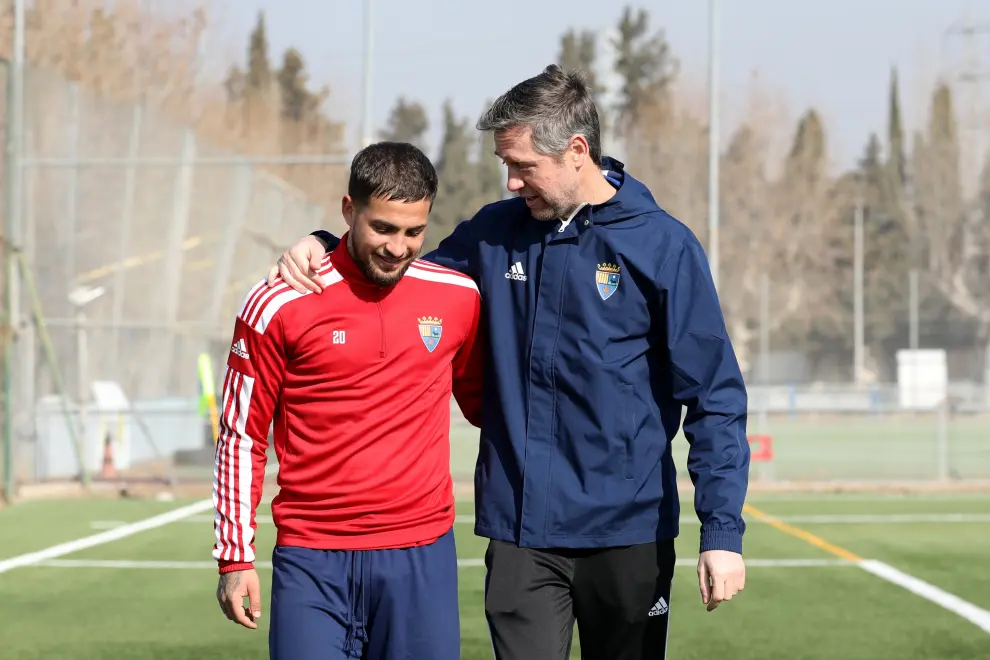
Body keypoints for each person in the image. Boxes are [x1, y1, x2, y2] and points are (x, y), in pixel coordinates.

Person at [267, 65, 749, 660]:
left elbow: (715, 397)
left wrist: (721, 531)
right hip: (522, 535)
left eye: (523, 166)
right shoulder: (493, 234)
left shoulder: (663, 245)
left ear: (576, 151)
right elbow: (401, 274)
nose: (513, 183)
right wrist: (326, 243)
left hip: (630, 533)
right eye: (507, 166)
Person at [212, 141, 485, 660]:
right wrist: (234, 558)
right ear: (347, 211)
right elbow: (240, 434)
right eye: (382, 227)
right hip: (312, 559)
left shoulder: (458, 297)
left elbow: (488, 407)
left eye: (413, 232)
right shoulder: (279, 301)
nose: (398, 247)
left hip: (420, 556)